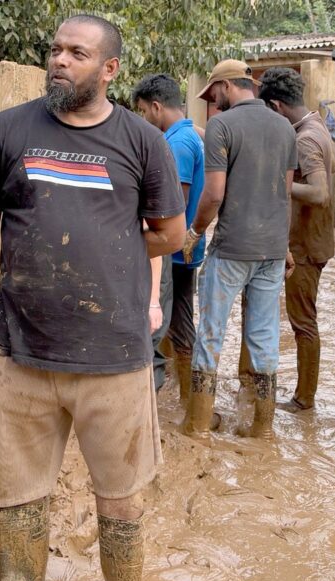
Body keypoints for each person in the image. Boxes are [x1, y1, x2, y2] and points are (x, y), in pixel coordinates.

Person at [0, 15, 185, 581]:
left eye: (77, 53)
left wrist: (109, 246)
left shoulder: (143, 142)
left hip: (114, 358)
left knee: (121, 506)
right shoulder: (9, 130)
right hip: (18, 354)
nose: (59, 61)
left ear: (109, 69)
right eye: (55, 50)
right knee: (16, 504)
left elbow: (170, 233)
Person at [178, 59, 297, 442]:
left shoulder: (221, 126)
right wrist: (286, 244)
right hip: (272, 250)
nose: (212, 101)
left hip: (231, 249)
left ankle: (197, 423)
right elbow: (286, 191)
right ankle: (262, 427)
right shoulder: (284, 126)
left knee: (211, 332)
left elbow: (213, 193)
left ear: (227, 86)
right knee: (264, 336)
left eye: (213, 93)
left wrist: (194, 231)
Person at [233, 67, 334, 413]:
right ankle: (249, 377)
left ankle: (304, 400)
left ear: (275, 107)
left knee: (302, 321)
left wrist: (276, 181)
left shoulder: (305, 138)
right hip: (299, 243)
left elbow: (320, 193)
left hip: (305, 247)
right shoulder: (315, 126)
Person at [133, 74, 208, 407]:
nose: (144, 120)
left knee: (166, 320)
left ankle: (179, 400)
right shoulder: (192, 135)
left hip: (173, 249)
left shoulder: (175, 144)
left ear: (156, 107)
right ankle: (187, 400)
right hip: (185, 246)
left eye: (143, 112)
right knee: (178, 318)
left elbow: (171, 202)